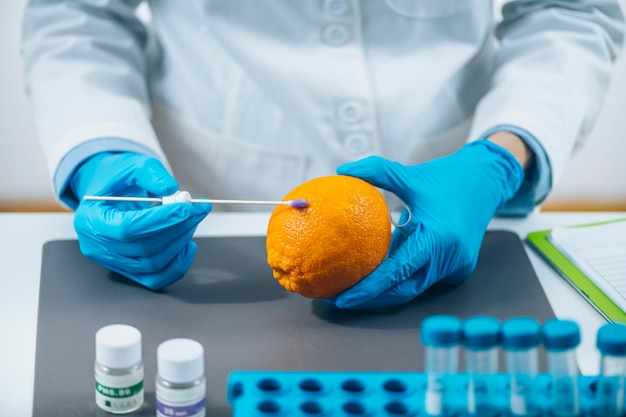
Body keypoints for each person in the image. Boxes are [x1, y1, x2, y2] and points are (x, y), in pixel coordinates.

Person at [21, 1, 625, 309]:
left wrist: (502, 156)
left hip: (459, 184)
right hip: (210, 194)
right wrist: (99, 152)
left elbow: (570, 9)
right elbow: (78, 13)